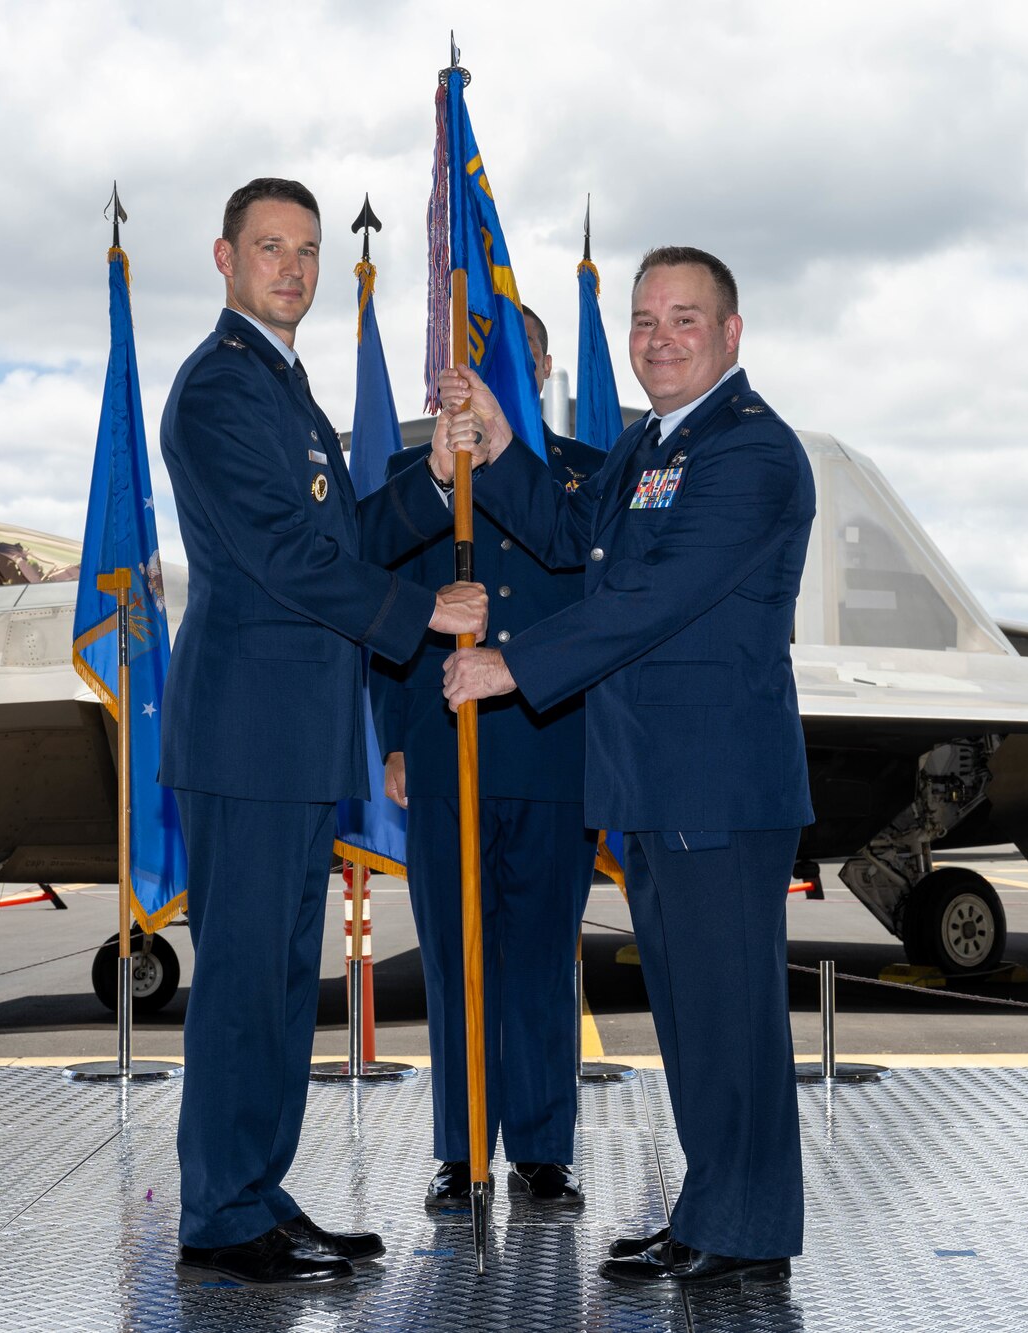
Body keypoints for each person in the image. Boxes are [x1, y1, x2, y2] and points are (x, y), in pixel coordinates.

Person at [433, 246, 814, 1288]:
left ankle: (745, 1232)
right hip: (647, 777)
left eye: (681, 319)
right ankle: (710, 1210)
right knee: (691, 1017)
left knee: (729, 1012)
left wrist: (515, 662)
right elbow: (571, 534)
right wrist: (505, 445)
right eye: (643, 321)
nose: (656, 339)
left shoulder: (750, 452)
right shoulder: (648, 445)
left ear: (730, 333)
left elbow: (656, 595)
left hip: (715, 778)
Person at [157, 177, 486, 1287]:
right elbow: (282, 556)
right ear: (224, 257)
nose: (292, 269)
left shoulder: (283, 388)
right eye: (269, 249)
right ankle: (216, 1213)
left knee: (284, 982)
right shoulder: (217, 390)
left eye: (304, 250)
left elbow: (338, 531)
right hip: (246, 733)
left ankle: (254, 1187)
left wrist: (432, 480)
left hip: (291, 735)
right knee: (246, 979)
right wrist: (420, 613)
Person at [373, 304, 607, 1209]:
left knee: (543, 957)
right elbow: (382, 617)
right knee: (453, 955)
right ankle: (462, 1149)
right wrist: (395, 735)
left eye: (515, 358)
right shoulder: (417, 477)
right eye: (469, 364)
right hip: (443, 744)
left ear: (542, 369)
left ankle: (543, 1147)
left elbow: (600, 603)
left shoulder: (589, 478)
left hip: (554, 747)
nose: (493, 376)